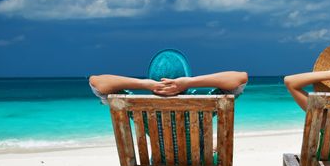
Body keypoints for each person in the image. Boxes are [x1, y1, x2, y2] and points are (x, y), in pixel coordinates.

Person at [89, 71, 248, 104]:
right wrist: (190, 82)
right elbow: (240, 78)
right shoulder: (202, 106)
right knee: (213, 146)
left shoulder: (139, 109)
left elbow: (97, 83)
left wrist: (144, 84)